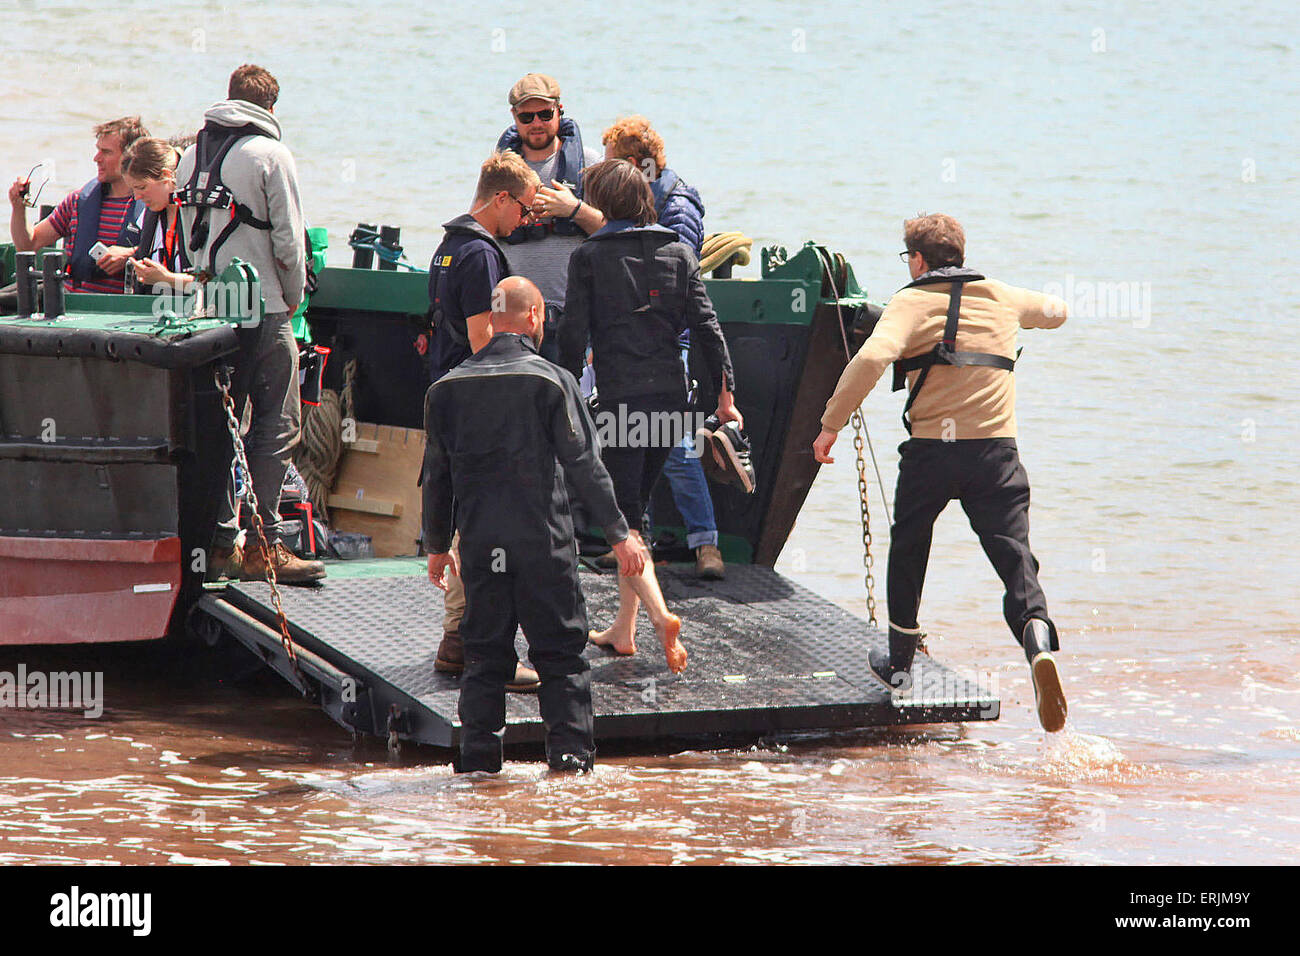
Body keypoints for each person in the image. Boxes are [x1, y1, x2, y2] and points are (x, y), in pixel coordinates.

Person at [812, 214, 1069, 732]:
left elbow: (872, 358)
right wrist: (1021, 311)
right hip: (996, 455)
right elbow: (1057, 311)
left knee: (909, 545)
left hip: (932, 452)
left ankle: (900, 664)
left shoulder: (909, 301)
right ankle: (1037, 637)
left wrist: (829, 424)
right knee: (1013, 552)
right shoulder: (999, 294)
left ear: (919, 260)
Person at [423, 276, 647, 774]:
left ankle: (478, 771)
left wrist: (438, 546)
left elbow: (436, 476)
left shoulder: (446, 388)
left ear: (492, 318)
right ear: (532, 317)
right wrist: (619, 533)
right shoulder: (550, 380)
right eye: (542, 315)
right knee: (562, 658)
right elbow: (585, 465)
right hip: (542, 542)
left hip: (480, 547)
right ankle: (569, 772)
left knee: (483, 659)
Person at [558, 160, 741, 667]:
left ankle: (661, 618)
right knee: (635, 508)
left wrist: (562, 394)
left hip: (621, 404)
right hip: (672, 404)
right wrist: (725, 398)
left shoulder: (589, 257)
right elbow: (708, 330)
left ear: (600, 201)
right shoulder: (680, 253)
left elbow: (573, 334)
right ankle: (624, 627)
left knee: (622, 519)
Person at [176, 64, 322, 584]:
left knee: (221, 424)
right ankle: (265, 547)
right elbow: (289, 239)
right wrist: (293, 296)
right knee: (277, 424)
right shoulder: (271, 154)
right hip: (264, 306)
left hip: (212, 306)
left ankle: (219, 546)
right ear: (271, 108)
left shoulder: (193, 153)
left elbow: (187, 239)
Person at [423, 150, 542, 693]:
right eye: (523, 209)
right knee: (487, 527)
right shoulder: (481, 256)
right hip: (477, 407)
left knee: (465, 520)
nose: (525, 220)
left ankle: (455, 642)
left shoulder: (446, 249)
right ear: (500, 198)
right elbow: (480, 337)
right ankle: (479, 648)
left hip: (447, 397)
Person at [601, 115, 725, 580]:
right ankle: (638, 541)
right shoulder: (644, 199)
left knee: (672, 443)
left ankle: (705, 543)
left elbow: (677, 277)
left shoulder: (677, 205)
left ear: (636, 164)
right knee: (638, 441)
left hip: (671, 345)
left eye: (615, 164)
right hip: (639, 344)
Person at [493, 73, 604, 360]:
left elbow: (612, 231)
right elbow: (482, 228)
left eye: (545, 114)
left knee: (567, 401)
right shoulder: (500, 170)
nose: (537, 124)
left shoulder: (588, 164)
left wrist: (573, 209)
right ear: (514, 117)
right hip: (515, 322)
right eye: (527, 117)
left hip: (573, 318)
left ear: (559, 110)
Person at [8, 116, 148, 293]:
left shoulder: (152, 205)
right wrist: (18, 207)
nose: (96, 158)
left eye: (106, 152)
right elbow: (28, 245)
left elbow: (170, 256)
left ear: (131, 158)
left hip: (122, 312)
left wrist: (131, 254)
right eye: (98, 150)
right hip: (74, 307)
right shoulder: (77, 201)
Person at [120, 137, 195, 293]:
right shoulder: (149, 217)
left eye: (141, 187)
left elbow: (216, 283)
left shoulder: (199, 216)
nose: (136, 197)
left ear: (166, 175)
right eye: (132, 190)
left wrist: (168, 279)